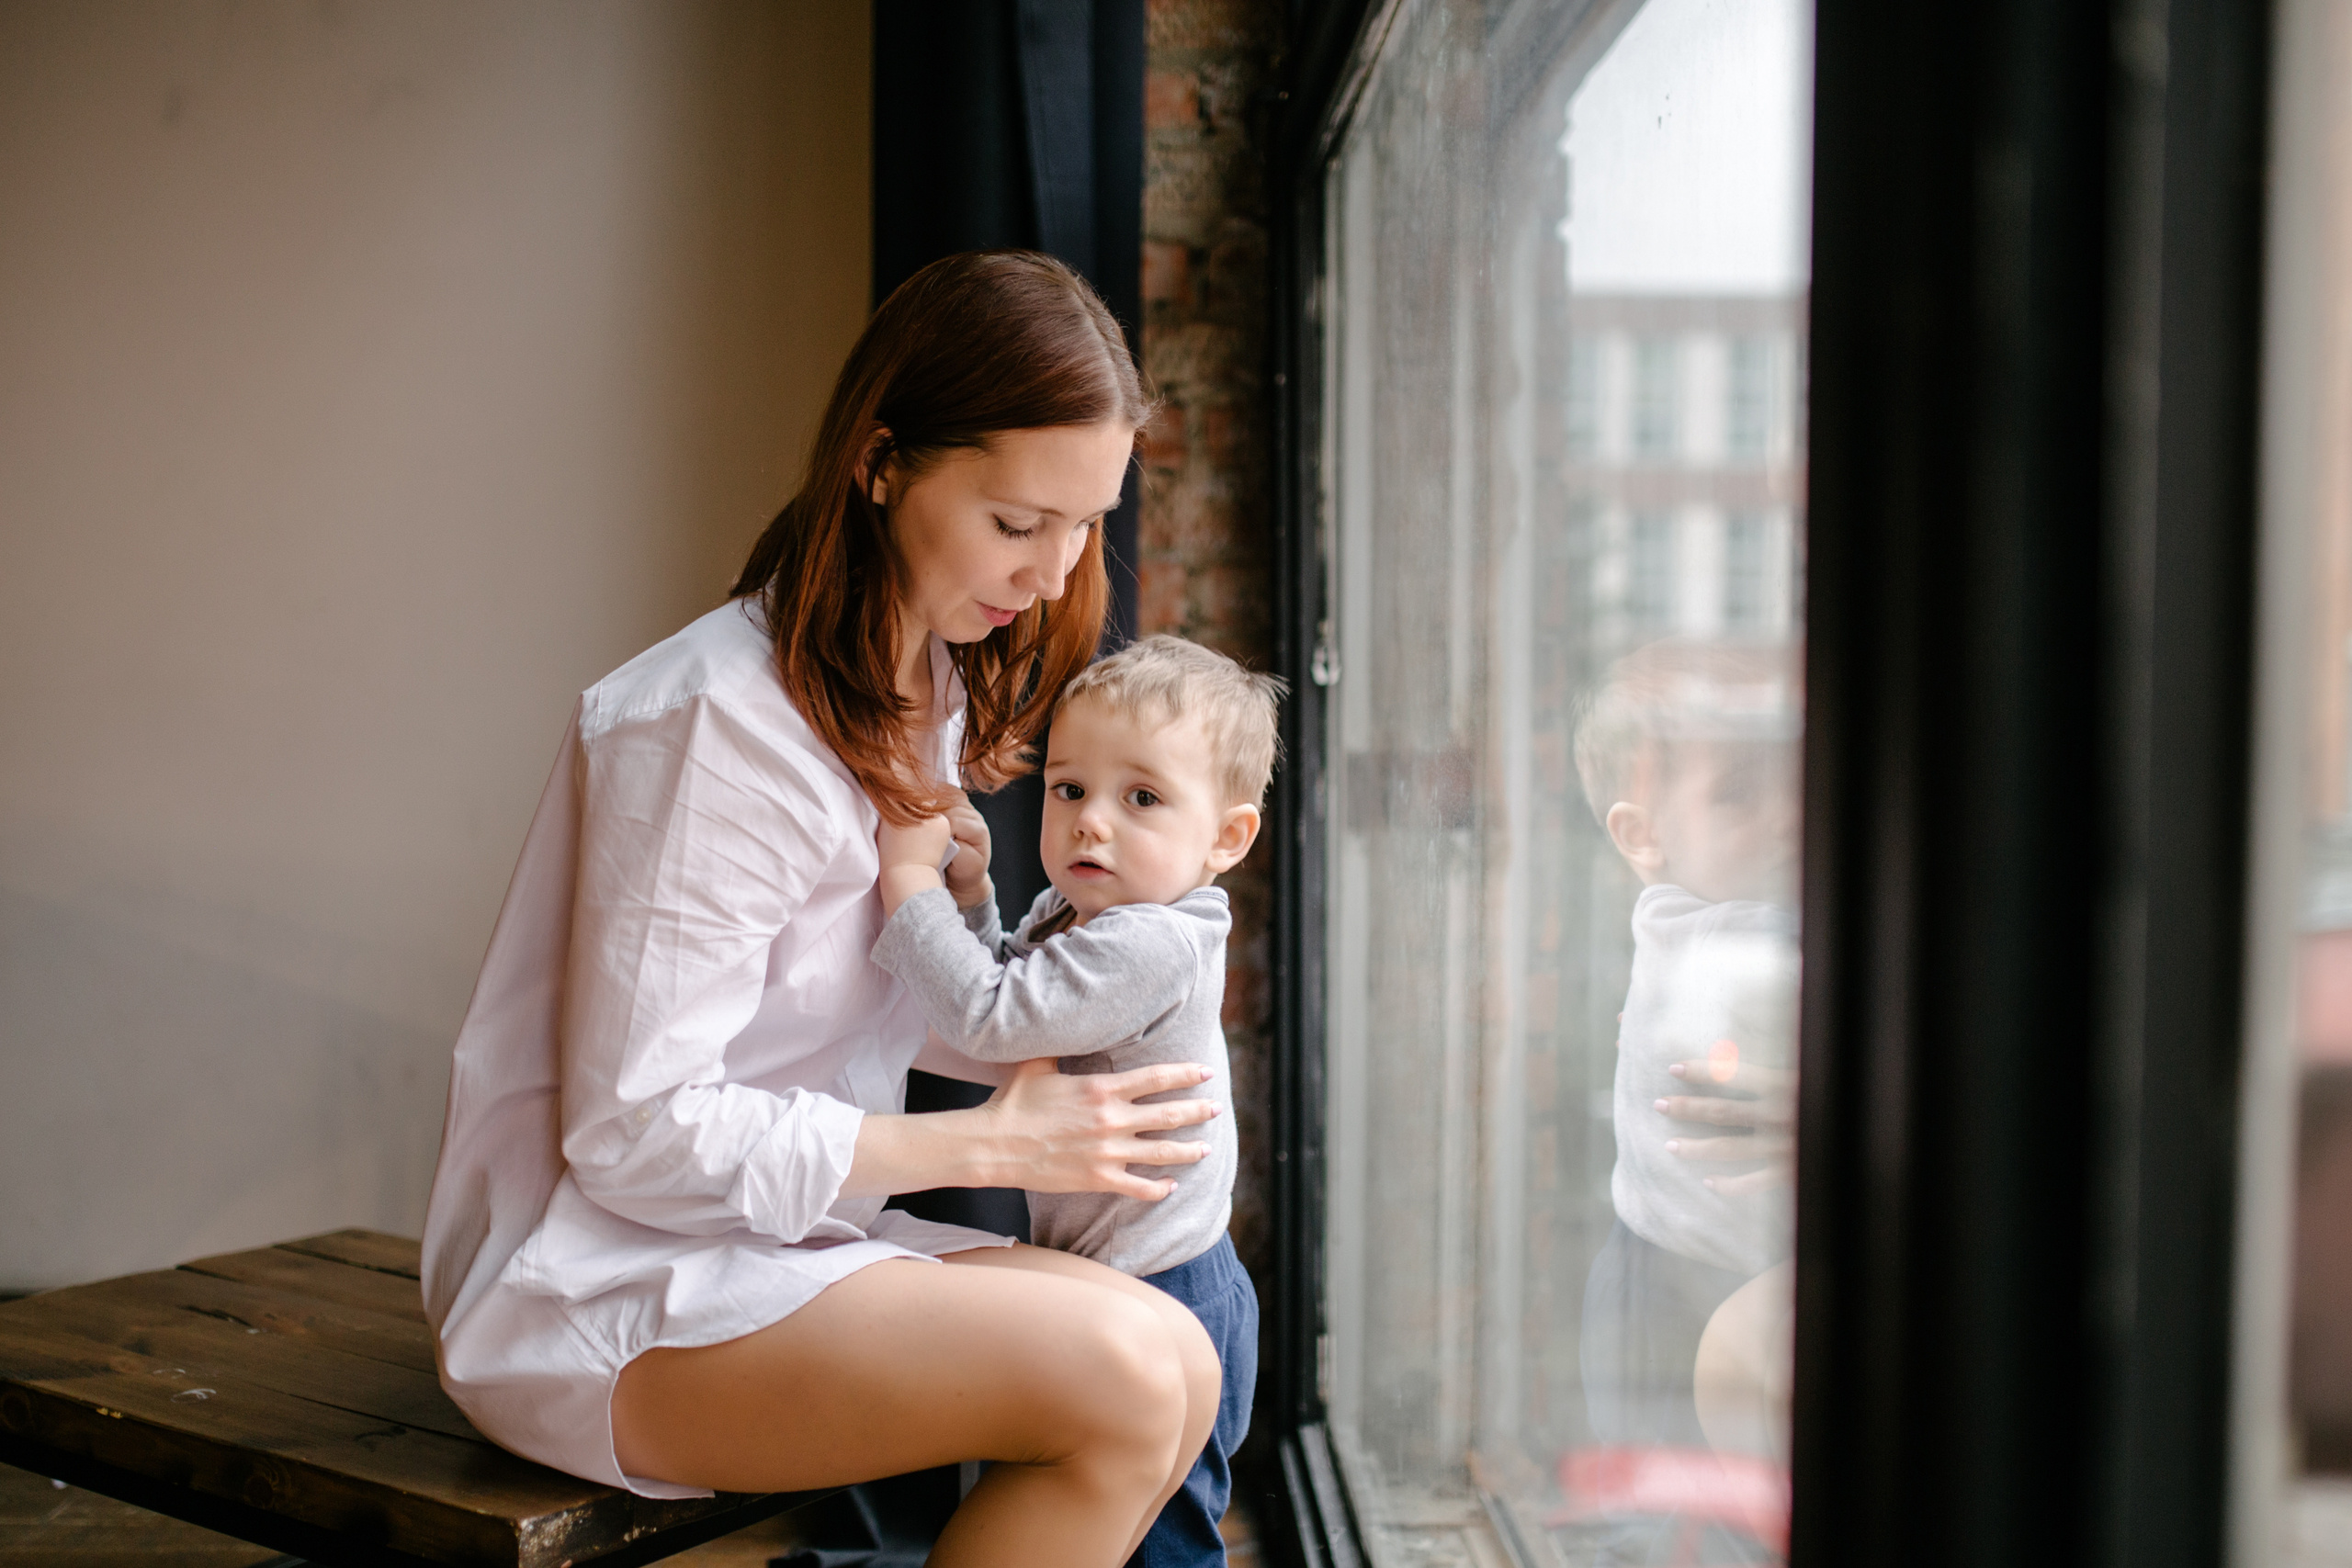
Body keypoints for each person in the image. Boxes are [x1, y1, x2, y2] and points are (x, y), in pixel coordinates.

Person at [419, 251, 1229, 1568]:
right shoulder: (716, 724)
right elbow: (635, 1131)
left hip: (779, 1237)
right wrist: (987, 1147)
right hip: (600, 1285)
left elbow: (860, 1012)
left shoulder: (926, 688)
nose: (1052, 573)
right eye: (1017, 523)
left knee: (1184, 1356)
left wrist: (1062, 978)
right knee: (1130, 1378)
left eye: (1085, 525)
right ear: (881, 464)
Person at [870, 634, 1283, 1568]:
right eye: (1068, 789)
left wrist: (907, 884)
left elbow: (990, 1019)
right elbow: (1012, 990)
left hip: (1171, 1287)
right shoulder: (1081, 912)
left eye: (1141, 798)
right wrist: (971, 894)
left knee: (1158, 1549)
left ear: (1226, 838)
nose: (1091, 821)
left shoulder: (1151, 942)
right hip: (1122, 1274)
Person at [1570, 638, 1801, 1453]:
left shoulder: (1676, 920)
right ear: (1643, 836)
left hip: (1663, 1262)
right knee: (1682, 1497)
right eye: (1740, 793)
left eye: (1795, 774)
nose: (1790, 813)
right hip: (1685, 1289)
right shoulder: (1733, 945)